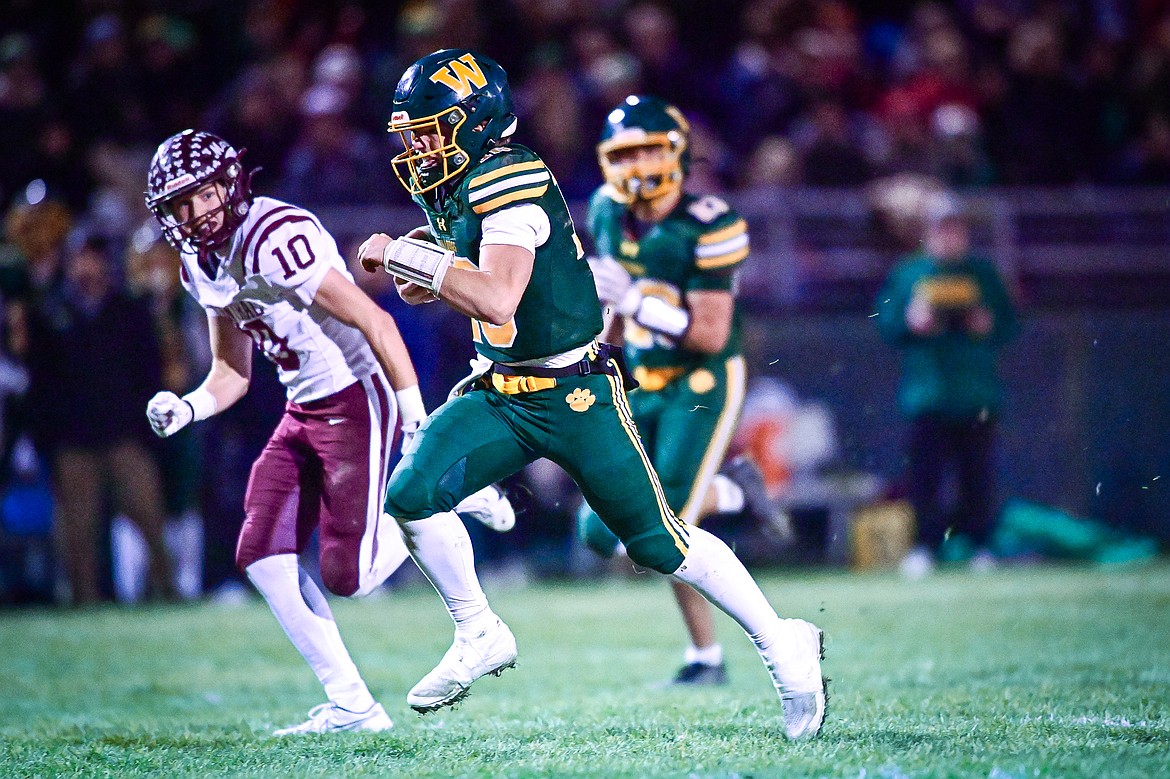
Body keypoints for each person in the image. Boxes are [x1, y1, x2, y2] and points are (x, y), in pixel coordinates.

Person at [357, 49, 826, 740]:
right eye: (412, 134)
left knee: (658, 542)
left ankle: (782, 641)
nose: (417, 148)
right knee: (409, 494)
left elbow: (496, 298)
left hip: (576, 394)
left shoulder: (509, 178)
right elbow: (452, 283)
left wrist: (405, 253)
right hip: (502, 390)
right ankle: (478, 630)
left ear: (474, 121)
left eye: (429, 131)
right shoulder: (463, 182)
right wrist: (428, 263)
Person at [142, 129, 513, 735]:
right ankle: (353, 706)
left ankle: (442, 497)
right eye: (178, 205)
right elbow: (232, 373)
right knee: (261, 554)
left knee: (351, 577)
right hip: (303, 405)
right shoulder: (197, 264)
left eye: (202, 195)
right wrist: (187, 409)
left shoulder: (275, 236)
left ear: (230, 184)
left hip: (356, 391)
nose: (193, 214)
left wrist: (415, 418)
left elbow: (375, 322)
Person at [576, 94, 790, 687]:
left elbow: (709, 334)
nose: (636, 165)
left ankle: (707, 658)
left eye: (648, 150)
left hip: (701, 380)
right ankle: (732, 492)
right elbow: (615, 302)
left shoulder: (710, 223)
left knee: (664, 528)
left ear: (677, 154)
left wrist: (635, 301)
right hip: (640, 376)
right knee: (598, 532)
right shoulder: (606, 209)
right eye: (624, 153)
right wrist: (601, 357)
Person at [874, 192, 1018, 578]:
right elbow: (887, 324)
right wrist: (911, 322)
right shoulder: (909, 273)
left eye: (956, 228)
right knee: (925, 478)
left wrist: (986, 324)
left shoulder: (983, 273)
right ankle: (925, 546)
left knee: (977, 477)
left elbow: (1009, 323)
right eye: (942, 229)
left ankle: (980, 545)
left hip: (975, 393)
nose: (950, 237)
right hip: (928, 394)